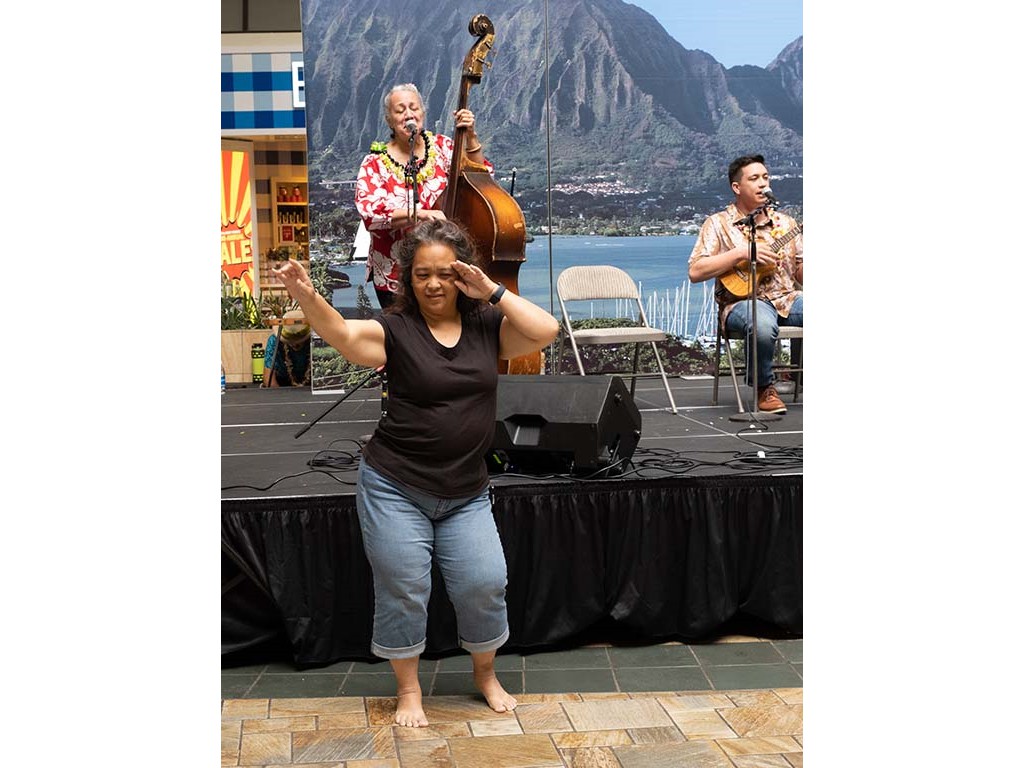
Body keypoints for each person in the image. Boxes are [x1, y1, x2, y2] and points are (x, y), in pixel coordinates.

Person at [272, 219, 560, 727]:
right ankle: (409, 690)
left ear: (463, 275)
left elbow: (546, 331)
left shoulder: (487, 326)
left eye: (446, 273)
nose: (433, 284)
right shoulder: (396, 328)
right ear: (407, 277)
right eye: (422, 274)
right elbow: (343, 335)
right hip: (395, 487)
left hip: (466, 490)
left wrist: (493, 291)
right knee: (404, 589)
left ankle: (486, 675)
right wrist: (306, 294)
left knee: (484, 583)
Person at [355, 82, 492, 310]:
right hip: (395, 275)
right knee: (404, 332)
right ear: (389, 120)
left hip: (447, 272)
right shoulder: (375, 164)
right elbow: (371, 214)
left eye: (414, 108)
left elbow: (481, 181)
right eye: (400, 110)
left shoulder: (444, 148)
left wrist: (471, 137)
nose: (409, 114)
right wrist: (422, 214)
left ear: (423, 113)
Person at [688, 154, 803, 414]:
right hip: (740, 303)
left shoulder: (787, 224)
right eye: (754, 178)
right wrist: (742, 253)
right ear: (737, 187)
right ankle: (764, 388)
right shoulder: (718, 224)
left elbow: (800, 272)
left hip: (786, 298)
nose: (763, 183)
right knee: (761, 323)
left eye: (766, 177)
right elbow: (695, 271)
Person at [263, 309, 311, 387]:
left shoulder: (316, 341)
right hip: (281, 387)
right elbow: (269, 380)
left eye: (299, 341)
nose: (295, 345)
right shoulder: (275, 341)